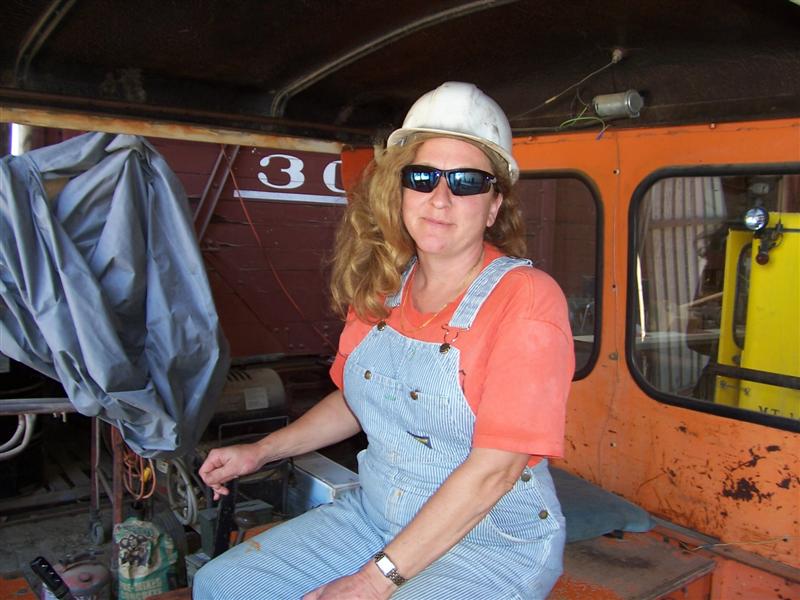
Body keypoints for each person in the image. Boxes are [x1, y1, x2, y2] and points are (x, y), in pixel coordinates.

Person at [193, 81, 574, 599]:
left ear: (493, 206)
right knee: (222, 584)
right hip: (377, 518)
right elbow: (359, 399)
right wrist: (260, 452)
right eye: (423, 177)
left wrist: (373, 581)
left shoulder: (526, 299)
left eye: (466, 181)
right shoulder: (384, 288)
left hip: (491, 543)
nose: (440, 198)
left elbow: (495, 471)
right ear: (401, 191)